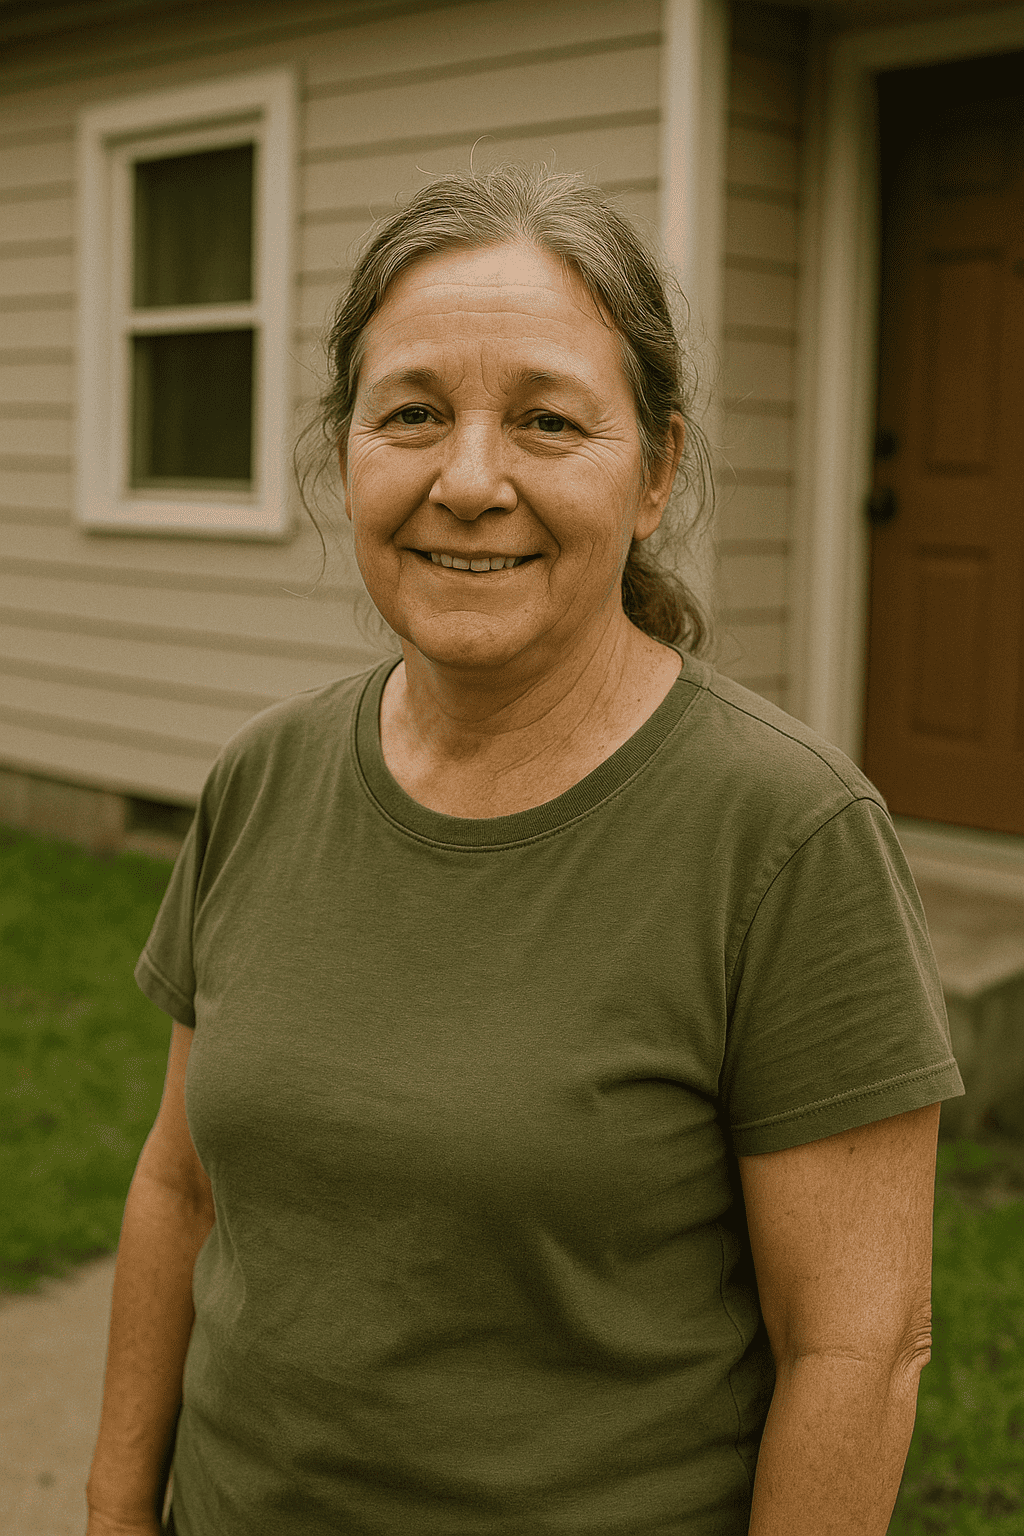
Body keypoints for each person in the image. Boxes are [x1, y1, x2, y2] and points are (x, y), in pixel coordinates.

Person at [85, 165, 965, 1536]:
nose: (470, 480)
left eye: (548, 421)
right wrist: (113, 1507)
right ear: (348, 449)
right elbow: (179, 1183)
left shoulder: (789, 840)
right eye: (414, 414)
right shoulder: (264, 775)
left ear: (656, 470)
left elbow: (857, 1348)